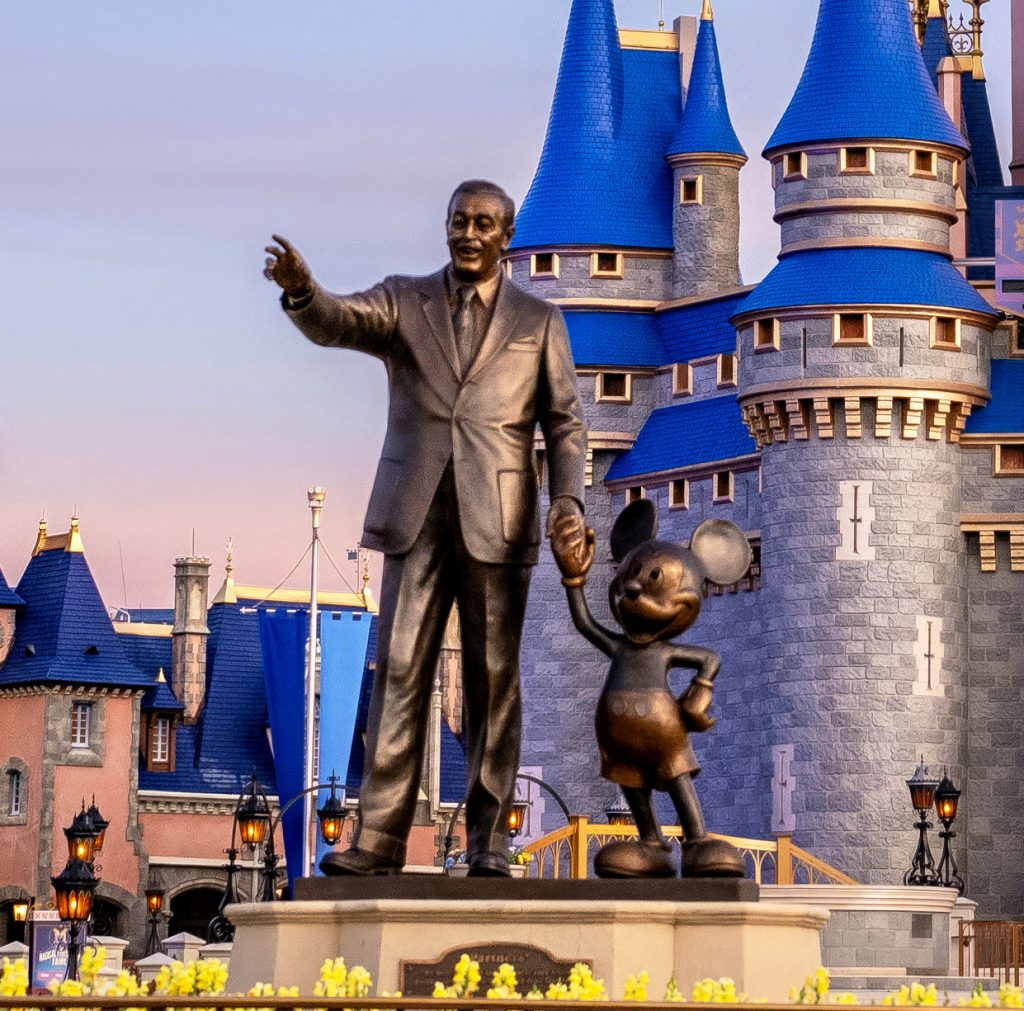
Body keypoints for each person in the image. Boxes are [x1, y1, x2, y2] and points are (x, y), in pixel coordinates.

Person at [264, 180, 588, 876]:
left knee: (494, 679)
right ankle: (378, 837)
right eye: (457, 222)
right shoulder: (405, 301)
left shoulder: (539, 322)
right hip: (416, 513)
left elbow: (564, 423)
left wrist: (568, 501)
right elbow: (339, 321)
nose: (468, 235)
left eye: (482, 225)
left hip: (498, 516)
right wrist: (302, 292)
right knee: (402, 669)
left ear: (507, 237)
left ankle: (488, 842)